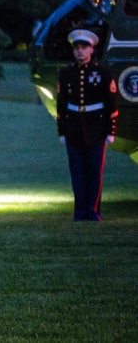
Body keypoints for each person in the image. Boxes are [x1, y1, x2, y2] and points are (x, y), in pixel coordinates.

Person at [57, 29, 118, 221]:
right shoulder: (66, 73)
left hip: (96, 129)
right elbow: (61, 104)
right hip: (74, 129)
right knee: (77, 174)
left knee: (94, 173)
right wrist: (62, 130)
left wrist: (111, 130)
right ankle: (79, 212)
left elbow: (111, 103)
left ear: (92, 50)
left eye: (84, 48)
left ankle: (93, 211)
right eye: (77, 48)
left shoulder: (102, 72)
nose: (80, 52)